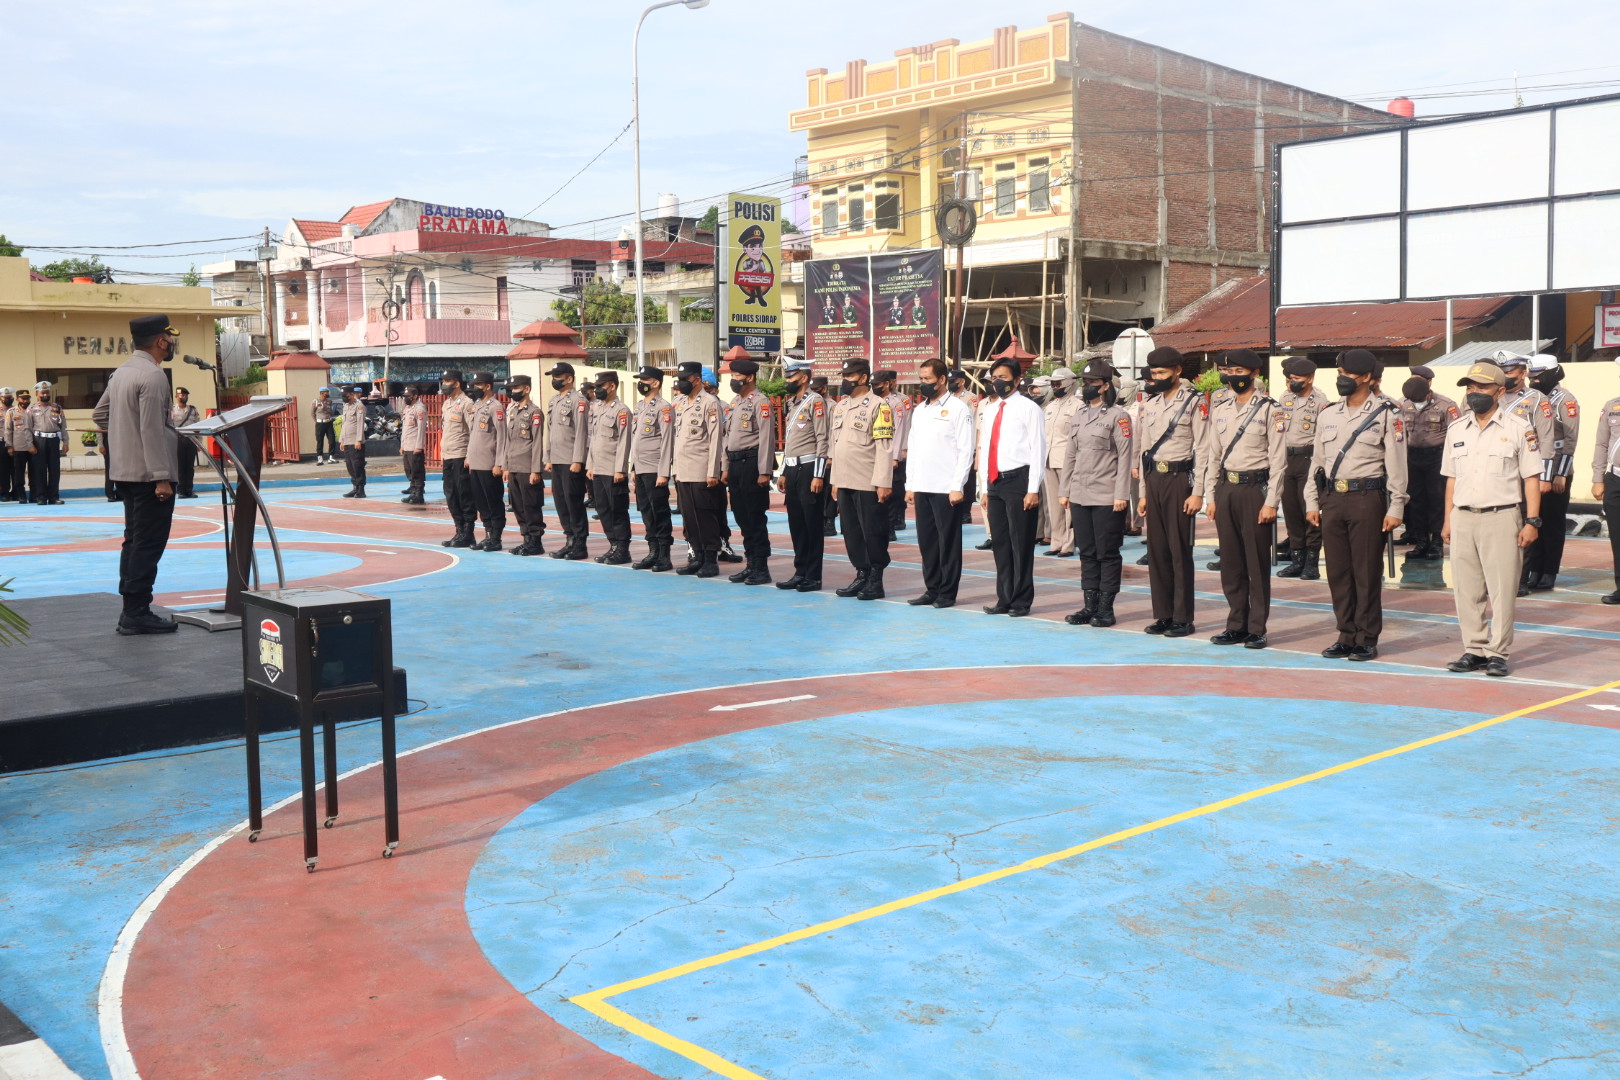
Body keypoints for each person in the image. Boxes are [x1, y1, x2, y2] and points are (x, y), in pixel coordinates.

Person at [1304, 348, 1409, 662]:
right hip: (1332, 499)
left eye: (1349, 374)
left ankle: (1366, 637)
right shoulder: (1327, 413)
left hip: (1367, 499)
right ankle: (1345, 634)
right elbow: (1317, 463)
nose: (1342, 379)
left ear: (1366, 377)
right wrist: (1311, 500)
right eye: (1340, 374)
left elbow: (1398, 466)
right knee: (1337, 572)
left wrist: (1396, 508)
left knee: (1365, 572)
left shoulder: (1388, 413)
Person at [1441, 361, 1543, 677]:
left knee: (1501, 590)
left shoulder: (1518, 428)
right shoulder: (1457, 429)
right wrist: (1448, 520)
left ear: (1499, 391)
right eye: (1470, 388)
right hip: (1464, 518)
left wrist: (1532, 520)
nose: (1474, 394)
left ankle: (1498, 652)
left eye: (1482, 388)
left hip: (1503, 517)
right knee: (1466, 591)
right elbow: (1451, 480)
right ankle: (1474, 649)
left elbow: (1532, 477)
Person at [92, 314, 182, 634]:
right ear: (161, 341)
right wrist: (160, 476)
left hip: (125, 472)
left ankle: (131, 608)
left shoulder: (121, 373)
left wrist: (122, 434)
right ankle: (137, 611)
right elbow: (152, 430)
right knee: (148, 543)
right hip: (149, 475)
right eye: (169, 339)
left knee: (133, 540)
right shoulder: (153, 376)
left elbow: (100, 413)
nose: (171, 344)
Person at [1203, 349, 1286, 649]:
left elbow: (1279, 461)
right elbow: (1213, 455)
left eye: (1239, 372)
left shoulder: (1270, 409)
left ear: (1253, 373)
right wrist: (1211, 495)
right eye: (1229, 372)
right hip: (1227, 489)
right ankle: (1235, 623)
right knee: (1232, 562)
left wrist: (1271, 502)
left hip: (1255, 491)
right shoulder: (1221, 408)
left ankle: (1257, 628)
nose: (1233, 377)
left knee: (1256, 562)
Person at [1136, 346, 1208, 636]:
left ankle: (1183, 617)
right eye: (1154, 373)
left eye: (1162, 372)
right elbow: (1144, 452)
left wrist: (1198, 491)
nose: (1157, 378)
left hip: (1180, 481)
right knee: (1157, 552)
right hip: (1154, 480)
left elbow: (1203, 449)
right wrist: (1142, 492)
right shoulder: (1150, 404)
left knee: (1179, 552)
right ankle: (1163, 614)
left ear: (1178, 371)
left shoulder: (1194, 402)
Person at [1057, 360, 1133, 628]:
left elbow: (1125, 458)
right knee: (1087, 552)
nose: (1087, 387)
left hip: (1106, 495)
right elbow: (1070, 455)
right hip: (1080, 494)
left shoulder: (1118, 416)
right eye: (1085, 383)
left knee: (1107, 553)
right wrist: (1064, 490)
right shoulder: (1078, 416)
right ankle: (1089, 606)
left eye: (1092, 384)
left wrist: (1121, 494)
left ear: (1105, 386)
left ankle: (1106, 608)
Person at [978, 356, 1045, 616]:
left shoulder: (1029, 408)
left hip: (1019, 480)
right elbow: (986, 448)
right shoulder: (991, 408)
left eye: (1003, 378)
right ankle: (1003, 598)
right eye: (994, 378)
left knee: (1021, 544)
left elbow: (1038, 449)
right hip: (995, 482)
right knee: (1001, 544)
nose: (998, 382)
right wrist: (984, 487)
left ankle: (1021, 600)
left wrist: (1033, 489)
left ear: (1017, 380)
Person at [905, 358, 974, 608]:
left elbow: (966, 450)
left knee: (948, 543)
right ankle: (931, 588)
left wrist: (958, 485)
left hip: (946, 488)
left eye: (928, 380)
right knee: (927, 542)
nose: (923, 384)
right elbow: (913, 448)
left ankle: (947, 592)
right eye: (921, 379)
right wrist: (910, 484)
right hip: (923, 485)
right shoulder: (920, 410)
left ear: (942, 380)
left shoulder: (958, 408)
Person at [828, 358, 896, 600]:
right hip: (844, 480)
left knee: (873, 531)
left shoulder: (879, 406)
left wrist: (883, 482)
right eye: (844, 376)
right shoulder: (840, 406)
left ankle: (876, 579)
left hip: (868, 480)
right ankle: (861, 573)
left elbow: (885, 447)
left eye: (850, 376)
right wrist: (834, 480)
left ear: (864, 378)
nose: (845, 380)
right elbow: (835, 446)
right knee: (850, 531)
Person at [661, 360, 726, 577]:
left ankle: (710, 558)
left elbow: (716, 439)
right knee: (689, 516)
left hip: (701, 469)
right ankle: (697, 556)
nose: (680, 384)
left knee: (705, 515)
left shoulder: (709, 403)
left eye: (685, 379)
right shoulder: (679, 402)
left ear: (697, 379)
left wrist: (712, 471)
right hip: (683, 469)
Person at [1522, 354, 1579, 592]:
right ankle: (1533, 568)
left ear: (1552, 374)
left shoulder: (1565, 400)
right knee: (1533, 519)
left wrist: (1560, 474)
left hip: (1556, 468)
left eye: (1538, 377)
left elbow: (1570, 439)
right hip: (1532, 469)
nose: (1534, 381)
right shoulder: (1530, 399)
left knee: (1553, 524)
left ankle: (1549, 571)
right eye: (1531, 377)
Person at [776, 360, 830, 592]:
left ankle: (813, 576)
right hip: (793, 469)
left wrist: (818, 476)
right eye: (787, 377)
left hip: (809, 470)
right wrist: (784, 472)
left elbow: (822, 440)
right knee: (796, 524)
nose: (788, 381)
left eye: (791, 377)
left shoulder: (815, 402)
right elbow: (791, 443)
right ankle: (800, 571)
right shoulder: (792, 403)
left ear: (804, 378)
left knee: (811, 525)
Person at [722, 357, 776, 584]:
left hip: (752, 463)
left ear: (750, 377)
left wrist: (765, 471)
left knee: (754, 517)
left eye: (736, 376)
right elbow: (728, 437)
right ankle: (750, 563)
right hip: (735, 464)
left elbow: (767, 438)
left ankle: (761, 568)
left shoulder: (760, 402)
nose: (733, 380)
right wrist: (725, 466)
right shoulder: (735, 402)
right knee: (742, 516)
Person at [1397, 367, 1458, 561]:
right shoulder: (1402, 404)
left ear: (1428, 390)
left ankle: (1436, 543)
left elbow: (1457, 433)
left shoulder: (1446, 405)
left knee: (1436, 500)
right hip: (1412, 457)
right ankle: (1421, 541)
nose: (1416, 402)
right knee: (1415, 500)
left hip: (1437, 457)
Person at [1274, 357, 1328, 579]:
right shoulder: (1284, 398)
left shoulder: (1321, 401)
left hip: (1309, 459)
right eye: (1290, 378)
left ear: (1310, 379)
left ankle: (1311, 562)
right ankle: (1297, 559)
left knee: (1309, 510)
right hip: (1287, 459)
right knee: (1291, 511)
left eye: (1297, 379)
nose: (1292, 383)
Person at [628, 366, 674, 571]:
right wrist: (633, 467)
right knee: (646, 510)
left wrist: (664, 472)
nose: (641, 383)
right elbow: (635, 438)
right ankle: (652, 551)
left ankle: (664, 554)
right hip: (641, 467)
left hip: (655, 467)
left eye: (645, 380)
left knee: (660, 511)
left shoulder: (664, 407)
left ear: (655, 383)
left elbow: (667, 441)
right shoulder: (639, 407)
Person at [545, 362, 591, 560]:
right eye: (553, 377)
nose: (554, 380)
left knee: (574, 502)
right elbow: (550, 432)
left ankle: (580, 544)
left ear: (569, 379)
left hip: (571, 460)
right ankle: (569, 539)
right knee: (561, 502)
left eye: (558, 377)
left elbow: (582, 432)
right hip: (556, 459)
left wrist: (578, 459)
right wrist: (547, 458)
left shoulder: (579, 400)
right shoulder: (554, 401)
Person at [586, 371, 633, 565]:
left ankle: (622, 549)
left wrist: (620, 469)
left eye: (601, 386)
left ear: (612, 386)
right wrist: (590, 464)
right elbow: (593, 438)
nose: (597, 390)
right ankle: (612, 545)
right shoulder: (596, 407)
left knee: (617, 510)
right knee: (603, 508)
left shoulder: (622, 410)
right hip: (598, 467)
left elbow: (624, 442)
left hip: (613, 469)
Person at [500, 375, 546, 556]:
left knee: (531, 505)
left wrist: (536, 470)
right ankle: (526, 539)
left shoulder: (534, 412)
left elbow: (537, 443)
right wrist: (506, 465)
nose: (512, 392)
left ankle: (535, 541)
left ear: (526, 389)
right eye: (511, 388)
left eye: (516, 388)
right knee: (518, 505)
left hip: (528, 467)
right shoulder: (511, 410)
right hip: (514, 466)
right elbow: (507, 441)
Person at [464, 372, 507, 550]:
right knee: (481, 501)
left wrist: (499, 463)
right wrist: (468, 456)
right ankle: (488, 533)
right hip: (476, 462)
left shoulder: (495, 407)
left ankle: (496, 537)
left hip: (490, 463)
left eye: (478, 385)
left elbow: (502, 436)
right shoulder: (477, 406)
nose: (474, 389)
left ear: (488, 386)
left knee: (493, 501)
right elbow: (473, 434)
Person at [1041, 366, 1081, 557]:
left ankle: (1068, 543)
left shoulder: (1078, 406)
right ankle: (1056, 541)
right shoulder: (1050, 406)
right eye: (1053, 383)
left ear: (1069, 383)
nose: (1055, 386)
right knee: (1053, 503)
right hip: (1049, 459)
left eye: (1058, 383)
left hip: (1067, 460)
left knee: (1068, 504)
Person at [437, 370, 478, 547]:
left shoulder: (467, 404)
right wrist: (442, 454)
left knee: (464, 495)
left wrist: (469, 456)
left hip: (461, 456)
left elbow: (473, 432)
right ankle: (459, 530)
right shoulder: (446, 404)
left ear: (457, 383)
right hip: (448, 456)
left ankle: (468, 532)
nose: (444, 384)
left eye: (448, 381)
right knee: (451, 495)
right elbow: (445, 431)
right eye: (443, 381)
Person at [1592, 360, 1620, 605]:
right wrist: (1598, 478)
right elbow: (1601, 444)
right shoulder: (1612, 406)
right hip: (1615, 480)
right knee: (1618, 538)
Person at [874, 369, 911, 539]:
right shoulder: (871, 401)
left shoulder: (897, 403)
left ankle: (890, 527)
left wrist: (895, 456)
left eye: (878, 385)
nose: (874, 388)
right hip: (873, 454)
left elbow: (900, 431)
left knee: (892, 492)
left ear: (887, 384)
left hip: (889, 454)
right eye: (872, 385)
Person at [25, 380, 67, 504]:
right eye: (42, 393)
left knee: (54, 469)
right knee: (40, 469)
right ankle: (41, 497)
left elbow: (63, 426)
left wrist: (65, 441)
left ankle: (54, 497)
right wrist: (29, 444)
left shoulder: (57, 408)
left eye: (47, 392)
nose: (45, 395)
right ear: (37, 394)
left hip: (54, 440)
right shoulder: (31, 409)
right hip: (39, 441)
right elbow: (27, 428)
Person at [811, 374, 840, 538]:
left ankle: (829, 520)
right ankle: (819, 519)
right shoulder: (811, 403)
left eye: (816, 389)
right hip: (813, 454)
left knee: (829, 490)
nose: (814, 392)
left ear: (824, 388)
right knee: (816, 490)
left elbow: (833, 433)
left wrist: (831, 456)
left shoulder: (832, 406)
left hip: (828, 453)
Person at [399, 383, 428, 505]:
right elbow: (405, 428)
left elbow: (421, 429)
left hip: (415, 445)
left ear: (415, 396)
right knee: (409, 469)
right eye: (405, 395)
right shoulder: (407, 408)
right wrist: (402, 445)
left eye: (408, 395)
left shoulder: (419, 408)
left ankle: (419, 493)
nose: (406, 397)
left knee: (417, 470)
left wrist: (419, 446)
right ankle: (413, 490)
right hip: (407, 445)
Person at [338, 385, 369, 499]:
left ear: (351, 394)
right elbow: (344, 424)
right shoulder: (346, 406)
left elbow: (360, 424)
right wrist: (342, 440)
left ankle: (361, 489)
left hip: (355, 441)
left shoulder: (359, 406)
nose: (344, 398)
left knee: (358, 465)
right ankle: (354, 487)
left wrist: (359, 440)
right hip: (347, 441)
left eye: (345, 395)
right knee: (350, 465)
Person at [170, 387, 200, 499]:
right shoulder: (172, 410)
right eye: (181, 395)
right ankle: (181, 490)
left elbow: (198, 426)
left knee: (190, 467)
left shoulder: (193, 410)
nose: (183, 397)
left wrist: (198, 443)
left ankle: (189, 490)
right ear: (176, 397)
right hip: (178, 440)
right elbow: (169, 426)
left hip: (191, 440)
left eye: (185, 395)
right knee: (180, 467)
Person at [310, 387, 337, 465]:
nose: (328, 393)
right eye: (327, 392)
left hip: (328, 423)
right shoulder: (315, 401)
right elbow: (312, 413)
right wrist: (317, 421)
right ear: (322, 393)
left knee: (332, 440)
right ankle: (320, 458)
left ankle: (331, 458)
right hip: (320, 424)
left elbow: (331, 412)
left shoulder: (329, 401)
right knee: (320, 441)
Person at [0, 387, 13, 502]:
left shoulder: (16, 411)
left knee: (16, 469)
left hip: (17, 442)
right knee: (3, 470)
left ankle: (17, 492)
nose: (8, 399)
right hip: (2, 443)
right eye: (5, 397)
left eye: (10, 397)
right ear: (1, 398)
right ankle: (5, 493)